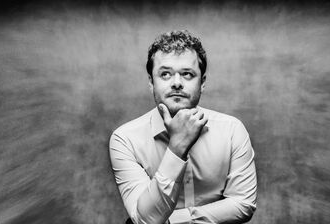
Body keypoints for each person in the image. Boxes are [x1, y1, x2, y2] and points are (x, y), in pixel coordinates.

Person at [109, 30, 257, 224]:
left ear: (202, 83)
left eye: (187, 74)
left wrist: (174, 221)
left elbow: (243, 204)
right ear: (151, 82)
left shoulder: (232, 130)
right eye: (165, 74)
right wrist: (177, 147)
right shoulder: (125, 139)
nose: (176, 83)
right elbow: (146, 221)